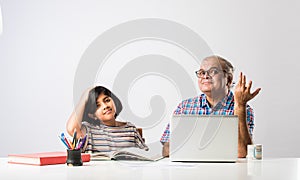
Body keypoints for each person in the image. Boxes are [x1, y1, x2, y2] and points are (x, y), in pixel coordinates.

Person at [160, 55, 261, 158]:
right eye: (202, 72)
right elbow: (167, 150)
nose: (205, 76)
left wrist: (240, 106)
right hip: (191, 171)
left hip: (227, 171)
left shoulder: (243, 109)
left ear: (229, 79)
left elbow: (243, 152)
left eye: (213, 71)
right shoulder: (184, 107)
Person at [66, 86, 148, 153]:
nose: (105, 106)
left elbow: (145, 154)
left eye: (107, 100)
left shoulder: (130, 129)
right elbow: (72, 129)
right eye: (97, 106)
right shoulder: (88, 131)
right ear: (92, 115)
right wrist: (84, 98)